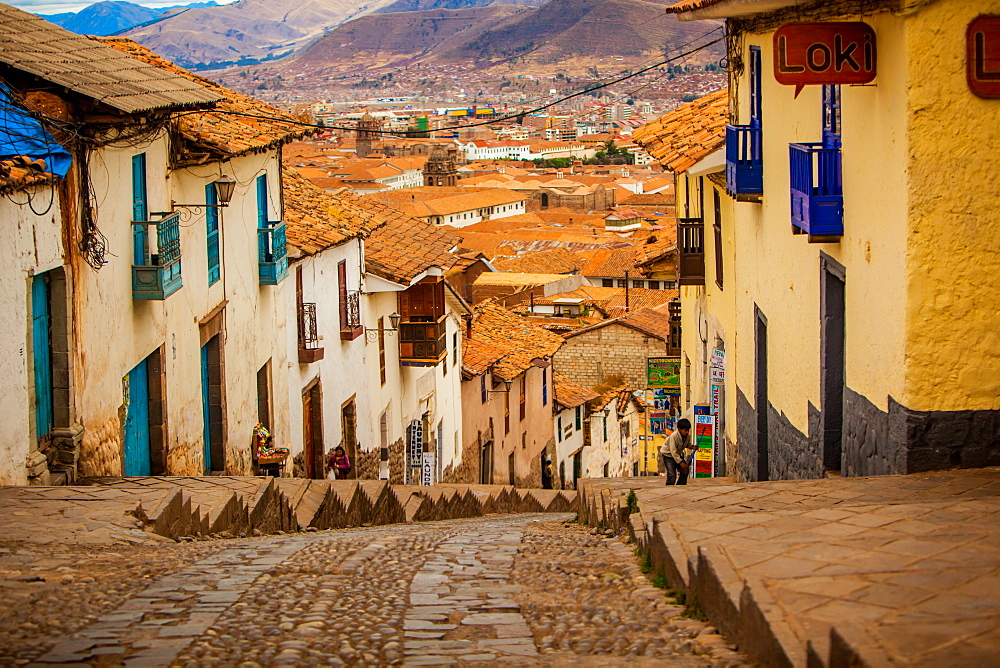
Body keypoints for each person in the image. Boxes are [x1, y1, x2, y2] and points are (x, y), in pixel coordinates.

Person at [660, 418, 693, 486]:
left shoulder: (687, 436)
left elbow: (686, 444)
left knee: (685, 470)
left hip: (677, 455)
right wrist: (680, 462)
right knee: (672, 475)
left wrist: (692, 446)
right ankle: (669, 488)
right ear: (679, 429)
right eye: (685, 430)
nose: (687, 432)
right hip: (668, 455)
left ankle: (680, 486)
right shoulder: (673, 436)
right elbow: (673, 451)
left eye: (688, 430)